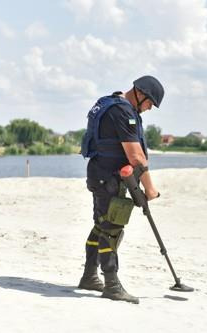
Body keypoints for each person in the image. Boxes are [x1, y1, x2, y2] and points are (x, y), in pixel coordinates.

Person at [78, 75, 164, 304]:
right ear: (140, 93)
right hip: (108, 178)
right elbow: (136, 156)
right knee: (111, 229)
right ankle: (112, 285)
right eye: (150, 103)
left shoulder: (110, 103)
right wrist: (150, 189)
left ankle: (88, 276)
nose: (148, 109)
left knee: (101, 225)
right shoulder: (123, 112)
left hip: (102, 174)